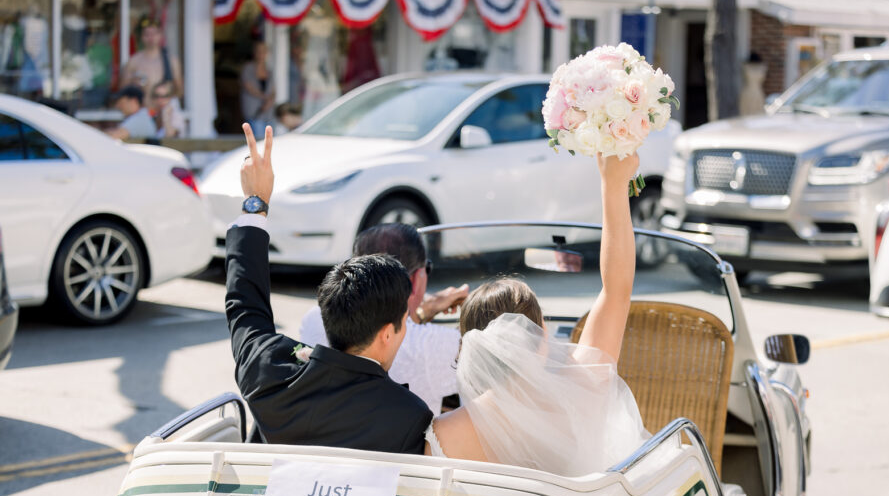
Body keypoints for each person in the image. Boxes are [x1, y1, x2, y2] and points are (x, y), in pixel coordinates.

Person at [427, 153, 647, 476]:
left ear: (471, 346)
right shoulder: (583, 388)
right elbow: (617, 290)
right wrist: (612, 184)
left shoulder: (442, 435)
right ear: (538, 336)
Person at [225, 123, 432, 453]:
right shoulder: (409, 416)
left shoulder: (268, 370)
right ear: (386, 333)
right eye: (405, 320)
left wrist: (256, 201)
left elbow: (245, 305)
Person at [298, 224, 469, 415]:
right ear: (415, 279)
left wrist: (422, 313)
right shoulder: (440, 344)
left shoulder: (315, 318)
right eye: (426, 268)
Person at [120, 17, 183, 108]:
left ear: (161, 35)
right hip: (142, 112)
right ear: (142, 37)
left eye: (154, 33)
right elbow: (123, 90)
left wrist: (166, 93)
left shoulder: (171, 61)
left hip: (165, 112)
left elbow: (180, 90)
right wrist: (134, 84)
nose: (151, 38)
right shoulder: (133, 61)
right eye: (147, 34)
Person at [240, 42, 275, 137]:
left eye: (263, 51)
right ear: (254, 53)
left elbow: (273, 90)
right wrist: (265, 98)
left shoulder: (269, 70)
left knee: (269, 139)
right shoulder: (248, 68)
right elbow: (248, 87)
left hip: (268, 113)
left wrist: (269, 101)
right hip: (254, 111)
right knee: (258, 138)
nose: (261, 54)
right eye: (259, 51)